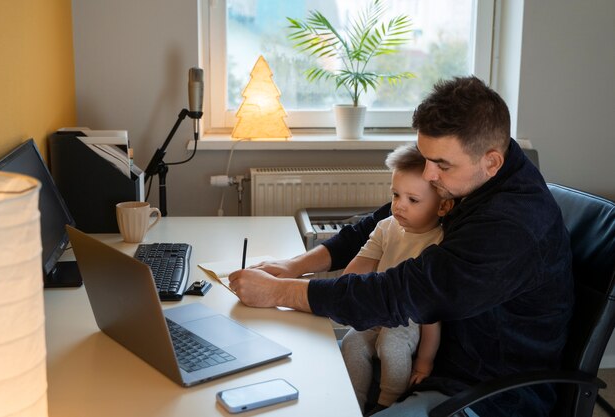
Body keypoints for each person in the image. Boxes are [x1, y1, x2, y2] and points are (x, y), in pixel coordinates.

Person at [229, 76, 573, 417]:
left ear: (492, 161)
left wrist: (280, 293)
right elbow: (376, 225)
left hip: (482, 390)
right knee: (293, 371)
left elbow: (400, 292)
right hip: (431, 354)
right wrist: (295, 267)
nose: (428, 174)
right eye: (425, 157)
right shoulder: (468, 178)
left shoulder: (511, 226)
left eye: (441, 164)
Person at [340, 145, 452, 415]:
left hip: (409, 319)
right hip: (378, 311)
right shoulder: (385, 227)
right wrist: (339, 293)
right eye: (395, 194)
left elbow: (432, 314)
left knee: (392, 343)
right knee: (352, 341)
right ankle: (352, 402)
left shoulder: (439, 242)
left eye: (413, 200)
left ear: (443, 206)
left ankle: (387, 404)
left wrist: (425, 362)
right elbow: (357, 269)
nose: (399, 205)